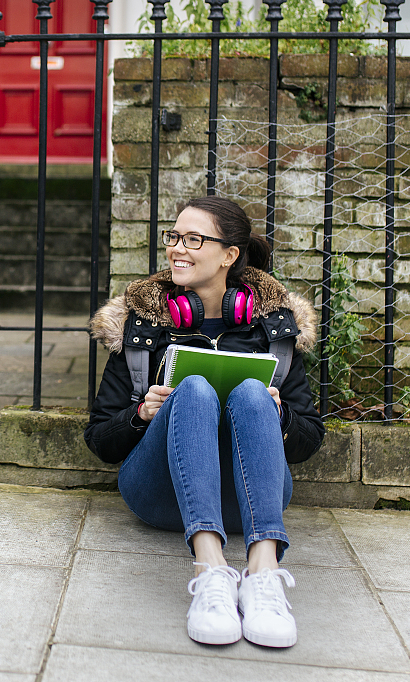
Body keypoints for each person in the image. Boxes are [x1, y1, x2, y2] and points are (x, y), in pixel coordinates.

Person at [86, 196, 324, 648]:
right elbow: (100, 438)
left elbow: (309, 437)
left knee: (255, 393)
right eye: (174, 237)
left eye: (193, 239)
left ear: (229, 255)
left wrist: (280, 414)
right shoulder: (142, 326)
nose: (178, 248)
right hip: (160, 496)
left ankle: (263, 574)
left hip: (250, 501)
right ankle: (211, 569)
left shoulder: (275, 330)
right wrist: (142, 414)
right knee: (193, 388)